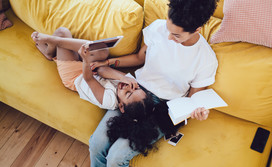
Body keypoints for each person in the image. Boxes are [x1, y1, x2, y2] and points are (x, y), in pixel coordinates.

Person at [89, 0, 219, 167]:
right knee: (96, 142)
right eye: (168, 28)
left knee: (116, 157)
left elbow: (193, 101)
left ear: (197, 30)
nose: (168, 37)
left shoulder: (205, 59)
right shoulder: (158, 28)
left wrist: (198, 112)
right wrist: (108, 62)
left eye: (176, 35)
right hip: (135, 91)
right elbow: (140, 58)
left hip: (164, 110)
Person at [31, 27, 179, 157]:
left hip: (76, 76)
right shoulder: (128, 84)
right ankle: (51, 52)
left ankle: (51, 47)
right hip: (91, 69)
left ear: (121, 106)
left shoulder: (109, 100)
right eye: (136, 88)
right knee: (103, 51)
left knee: (62, 33)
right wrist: (124, 77)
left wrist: (85, 60)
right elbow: (101, 69)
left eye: (127, 93)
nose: (128, 87)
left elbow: (88, 79)